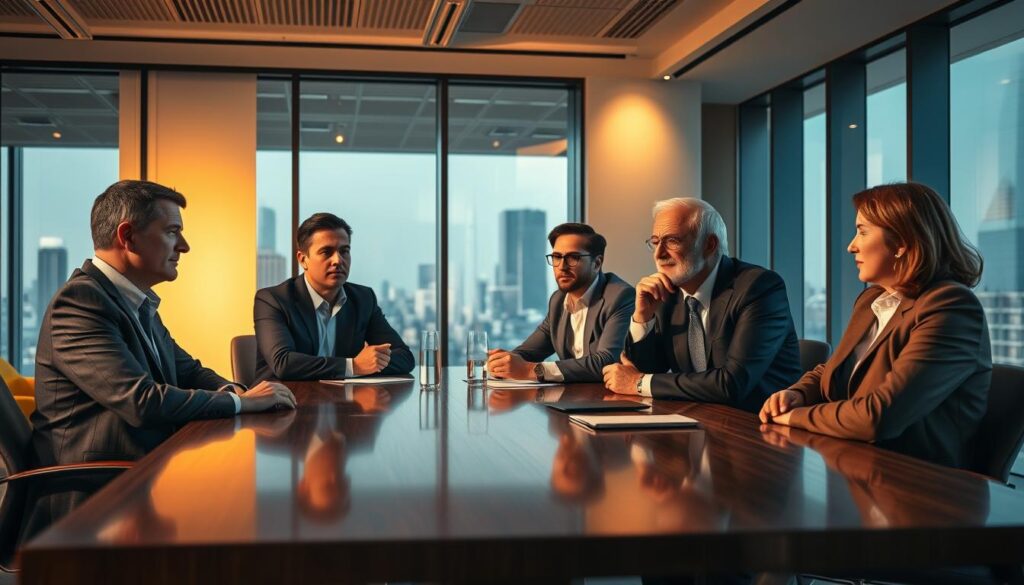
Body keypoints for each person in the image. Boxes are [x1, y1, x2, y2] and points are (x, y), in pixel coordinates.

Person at [31, 180, 295, 467]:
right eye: (172, 232)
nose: (184, 246)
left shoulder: (136, 301)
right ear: (128, 236)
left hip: (143, 468)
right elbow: (141, 401)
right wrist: (244, 403)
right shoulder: (80, 302)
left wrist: (233, 391)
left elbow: (189, 371)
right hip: (97, 486)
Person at [759, 182, 990, 469]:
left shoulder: (951, 306)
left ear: (902, 242)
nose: (851, 245)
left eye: (863, 231)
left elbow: (879, 417)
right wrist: (797, 393)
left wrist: (795, 417)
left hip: (921, 484)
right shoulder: (873, 300)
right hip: (857, 465)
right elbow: (835, 369)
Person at [603, 197, 801, 413]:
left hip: (757, 427)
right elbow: (643, 370)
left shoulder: (758, 287)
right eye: (655, 242)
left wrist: (639, 383)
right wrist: (643, 316)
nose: (659, 254)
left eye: (672, 241)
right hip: (699, 418)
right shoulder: (670, 291)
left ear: (709, 245)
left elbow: (731, 384)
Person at [254, 212, 414, 381]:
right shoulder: (272, 300)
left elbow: (404, 357)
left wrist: (372, 362)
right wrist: (354, 366)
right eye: (326, 252)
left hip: (343, 402)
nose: (338, 260)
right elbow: (283, 363)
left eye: (344, 251)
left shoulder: (363, 299)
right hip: (283, 401)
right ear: (303, 259)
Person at [487, 223, 634, 383]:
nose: (562, 267)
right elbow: (529, 352)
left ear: (597, 263)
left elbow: (606, 362)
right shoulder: (558, 300)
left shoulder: (620, 296)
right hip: (573, 399)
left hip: (614, 401)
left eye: (573, 257)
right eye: (557, 257)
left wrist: (530, 370)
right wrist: (506, 361)